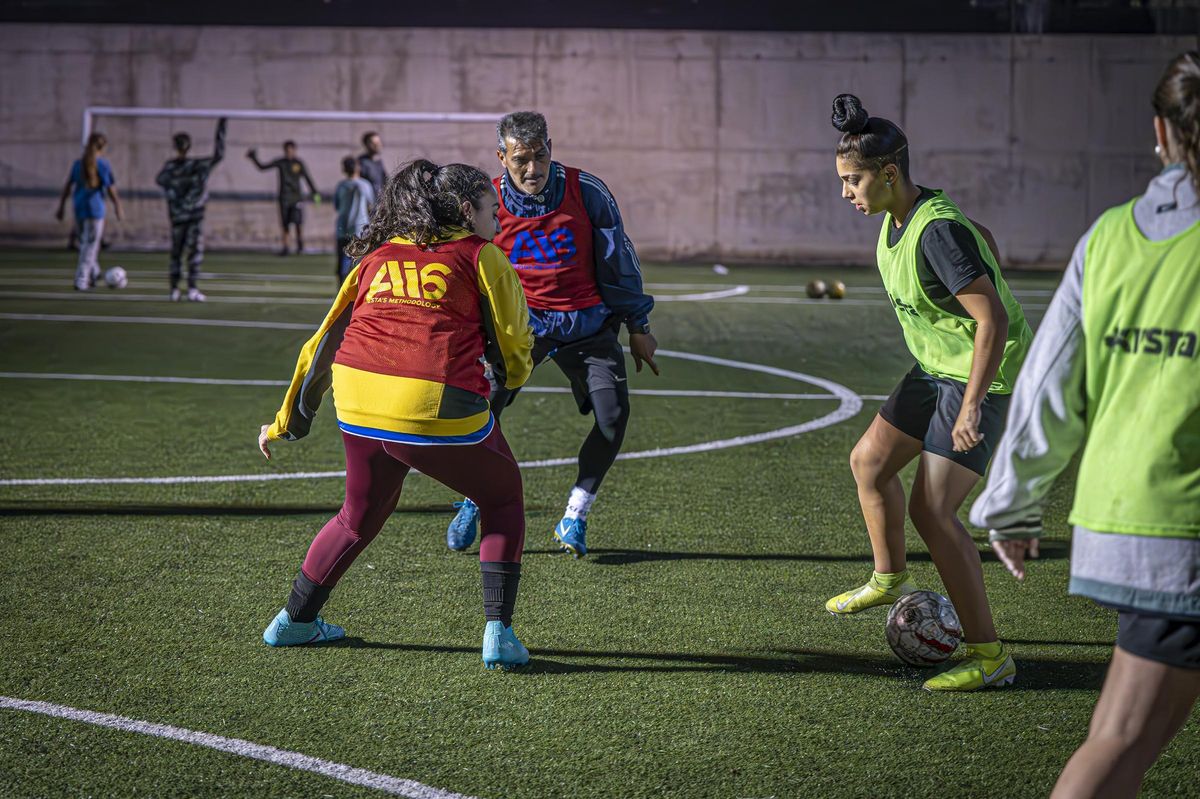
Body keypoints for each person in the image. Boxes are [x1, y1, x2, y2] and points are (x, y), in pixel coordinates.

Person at [971, 52, 1200, 795]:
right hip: (1182, 531)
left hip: (1124, 522)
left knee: (1125, 740)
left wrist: (1010, 502)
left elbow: (1048, 384)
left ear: (1160, 133)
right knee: (1119, 741)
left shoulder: (1108, 237)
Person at [257, 158, 535, 670]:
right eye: (491, 210)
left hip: (357, 397)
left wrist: (287, 420)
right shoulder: (481, 255)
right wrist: (514, 377)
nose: (498, 219)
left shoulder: (377, 256)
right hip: (431, 403)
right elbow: (516, 340)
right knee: (502, 496)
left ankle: (292, 621)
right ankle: (499, 634)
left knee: (357, 515)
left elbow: (323, 341)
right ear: (466, 210)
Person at [826, 94, 1033, 692]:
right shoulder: (902, 217)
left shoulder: (934, 232)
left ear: (889, 174)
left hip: (980, 377)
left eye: (853, 180)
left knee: (933, 512)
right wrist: (982, 260)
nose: (846, 193)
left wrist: (970, 406)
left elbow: (990, 320)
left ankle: (990, 655)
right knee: (869, 462)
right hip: (935, 368)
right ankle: (889, 577)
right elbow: (984, 238)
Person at [445, 111, 658, 559]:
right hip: (520, 327)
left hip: (589, 325)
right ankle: (473, 498)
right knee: (481, 410)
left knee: (613, 418)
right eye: (521, 158)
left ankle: (575, 515)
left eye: (541, 155)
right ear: (502, 157)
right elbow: (464, 268)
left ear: (550, 149)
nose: (533, 168)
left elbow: (620, 259)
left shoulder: (588, 191)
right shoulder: (485, 200)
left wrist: (638, 326)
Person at [155, 117, 227, 302]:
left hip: (181, 216)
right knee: (191, 252)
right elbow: (219, 154)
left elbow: (161, 181)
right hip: (191, 216)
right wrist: (221, 128)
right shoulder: (195, 166)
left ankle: (175, 289)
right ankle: (190, 288)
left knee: (178, 252)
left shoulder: (171, 168)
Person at [55, 132, 122, 291]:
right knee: (89, 247)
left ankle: (94, 273)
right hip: (95, 210)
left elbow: (67, 186)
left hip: (79, 208)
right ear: (102, 147)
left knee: (86, 244)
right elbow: (110, 188)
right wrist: (118, 206)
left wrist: (61, 206)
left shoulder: (78, 164)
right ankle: (81, 279)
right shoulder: (103, 164)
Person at [247, 140, 320, 255]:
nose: (289, 152)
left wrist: (315, 193)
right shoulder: (281, 162)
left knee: (298, 222)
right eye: (287, 150)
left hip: (296, 198)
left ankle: (300, 246)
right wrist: (253, 158)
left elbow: (307, 178)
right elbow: (262, 167)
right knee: (285, 223)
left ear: (294, 150)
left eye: (291, 150)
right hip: (284, 198)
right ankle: (286, 247)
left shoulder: (298, 163)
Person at [333, 156, 375, 282]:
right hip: (360, 229)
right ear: (357, 167)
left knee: (342, 263)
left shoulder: (341, 186)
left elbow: (337, 205)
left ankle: (341, 292)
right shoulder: (365, 185)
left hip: (343, 228)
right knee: (358, 263)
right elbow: (371, 205)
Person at [357, 131, 387, 206]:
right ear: (366, 145)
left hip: (379, 207)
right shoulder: (361, 163)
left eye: (378, 142)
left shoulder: (379, 162)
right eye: (374, 143)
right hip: (368, 209)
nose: (377, 145)